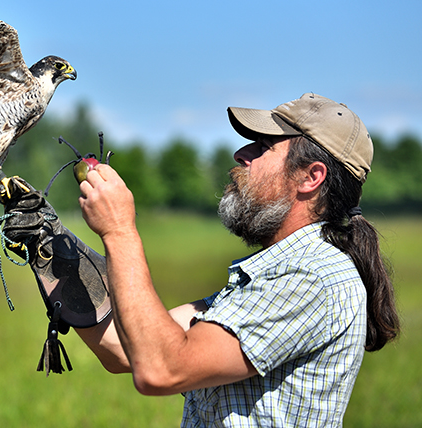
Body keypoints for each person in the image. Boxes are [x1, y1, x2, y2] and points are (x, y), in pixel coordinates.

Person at [72, 93, 400, 427]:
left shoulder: (311, 277)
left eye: (262, 146)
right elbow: (121, 345)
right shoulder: (274, 275)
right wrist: (51, 243)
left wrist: (119, 231)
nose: (241, 154)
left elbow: (162, 368)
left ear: (310, 177)